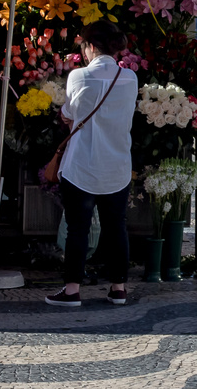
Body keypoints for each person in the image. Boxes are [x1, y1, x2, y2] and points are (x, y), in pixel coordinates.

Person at [46, 22, 138, 308]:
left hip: (82, 166)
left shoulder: (78, 76)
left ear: (89, 48)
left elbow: (69, 114)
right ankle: (118, 288)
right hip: (117, 165)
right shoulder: (130, 78)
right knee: (116, 227)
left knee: (77, 228)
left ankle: (72, 290)